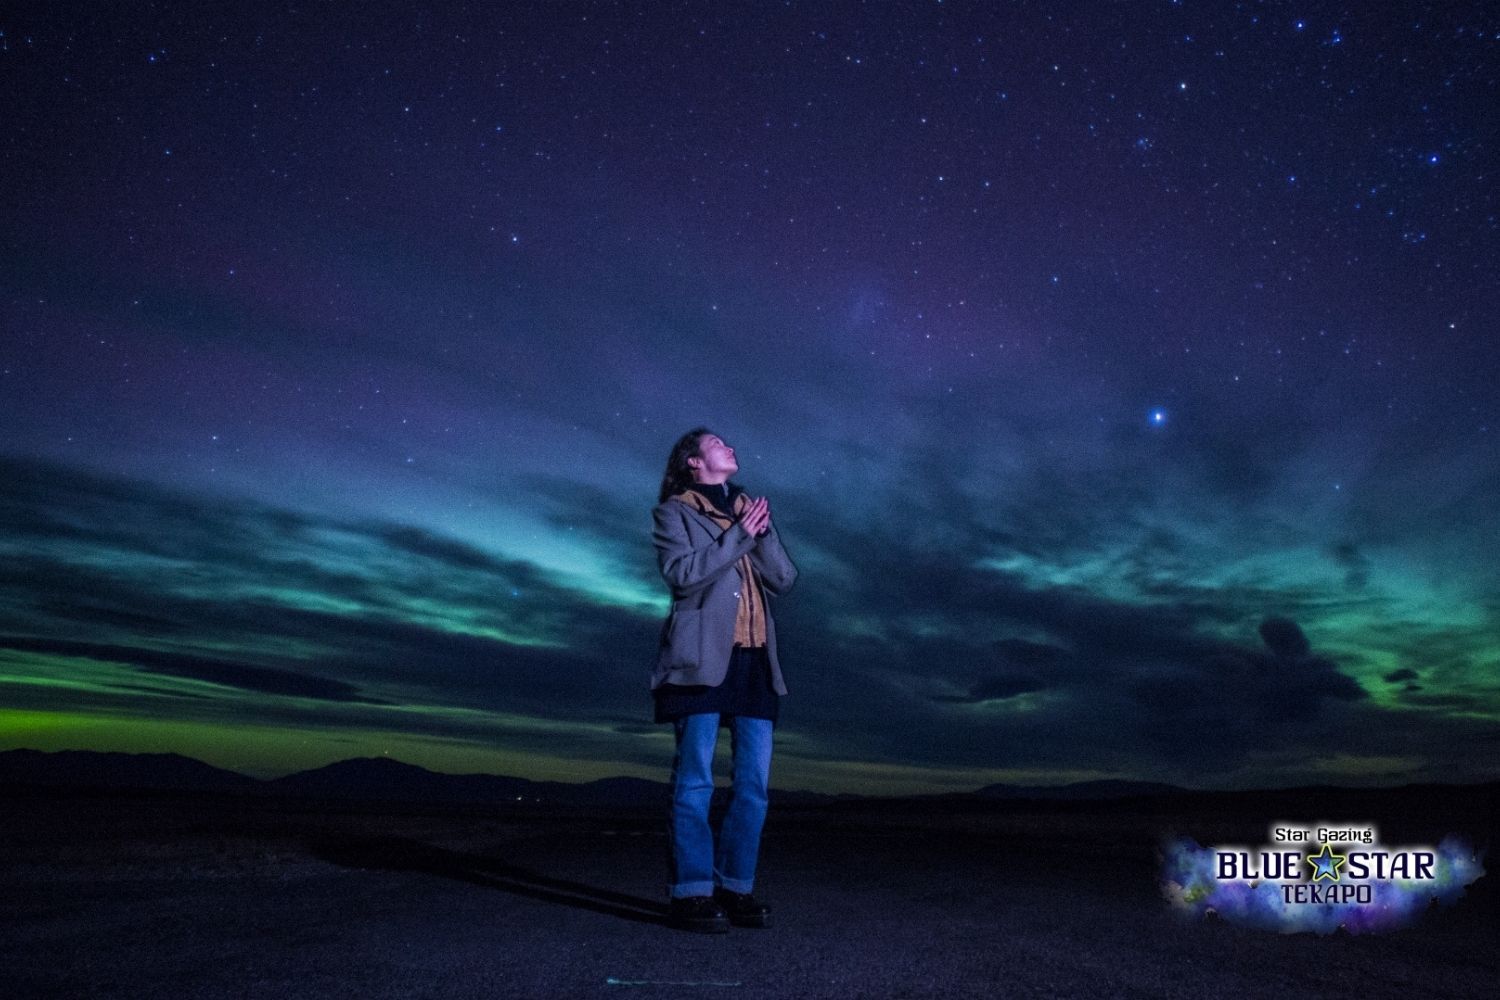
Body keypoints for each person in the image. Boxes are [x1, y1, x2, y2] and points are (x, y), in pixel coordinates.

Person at [651, 427, 798, 933]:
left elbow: (784, 579)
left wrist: (761, 533)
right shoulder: (674, 512)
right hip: (701, 658)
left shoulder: (746, 510)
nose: (729, 446)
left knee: (753, 785)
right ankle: (691, 892)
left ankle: (735, 886)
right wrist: (737, 535)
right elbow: (681, 574)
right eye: (716, 444)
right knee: (695, 780)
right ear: (693, 462)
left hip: (755, 662)